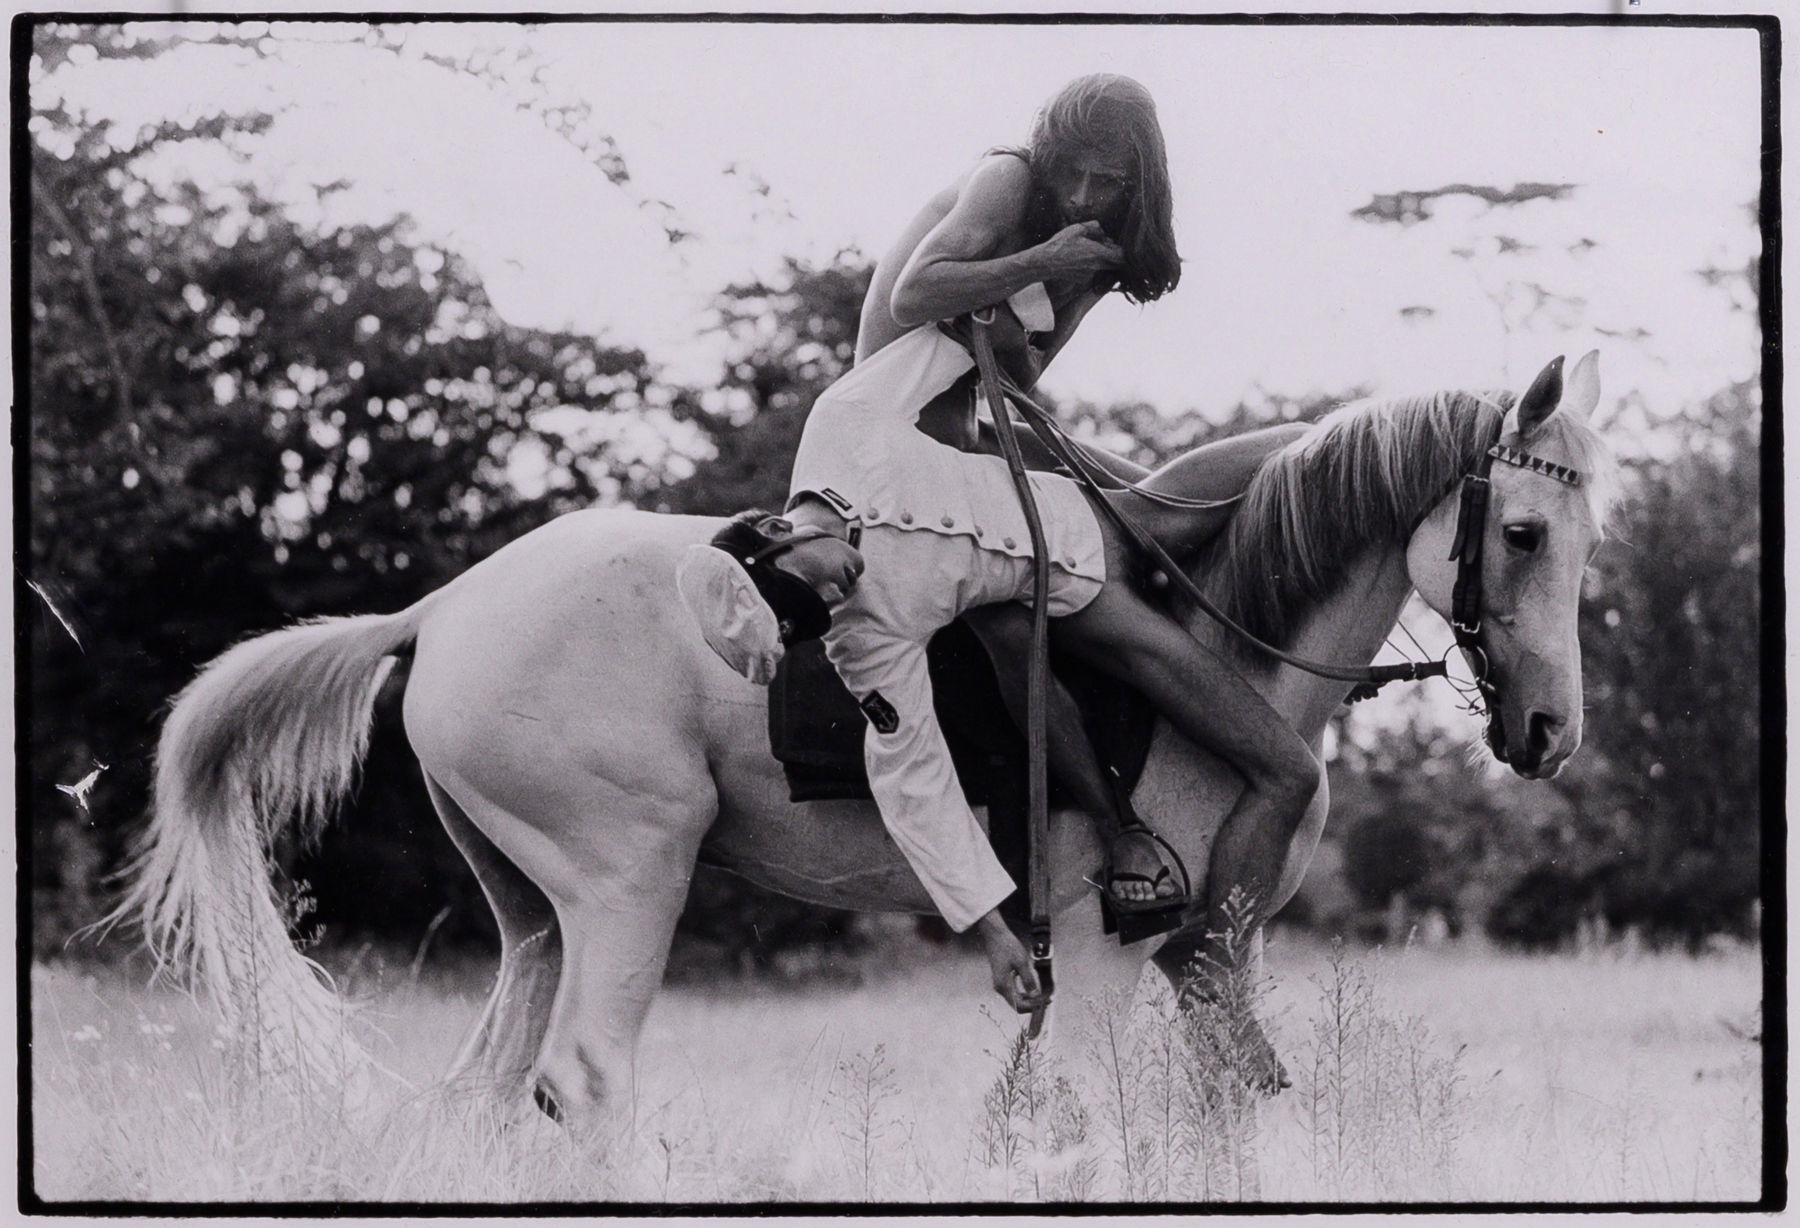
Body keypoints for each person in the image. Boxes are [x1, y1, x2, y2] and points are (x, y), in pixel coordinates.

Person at [695, 75, 1316, 1087]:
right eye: (814, 615)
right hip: (1047, 563)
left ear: (773, 532)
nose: (836, 592)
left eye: (808, 584)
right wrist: (987, 931)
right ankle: (1123, 844)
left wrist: (1051, 313)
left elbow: (965, 342)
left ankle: (1333, 511)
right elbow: (915, 786)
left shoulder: (854, 415)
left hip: (1002, 463)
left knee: (1240, 482)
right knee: (1043, 642)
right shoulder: (862, 637)